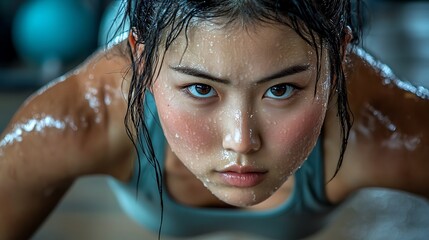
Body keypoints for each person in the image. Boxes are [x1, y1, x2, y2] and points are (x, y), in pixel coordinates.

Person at [1, 0, 428, 239]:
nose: (241, 141)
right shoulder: (78, 120)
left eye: (280, 89)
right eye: (201, 89)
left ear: (337, 63)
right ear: (142, 65)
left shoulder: (385, 128)